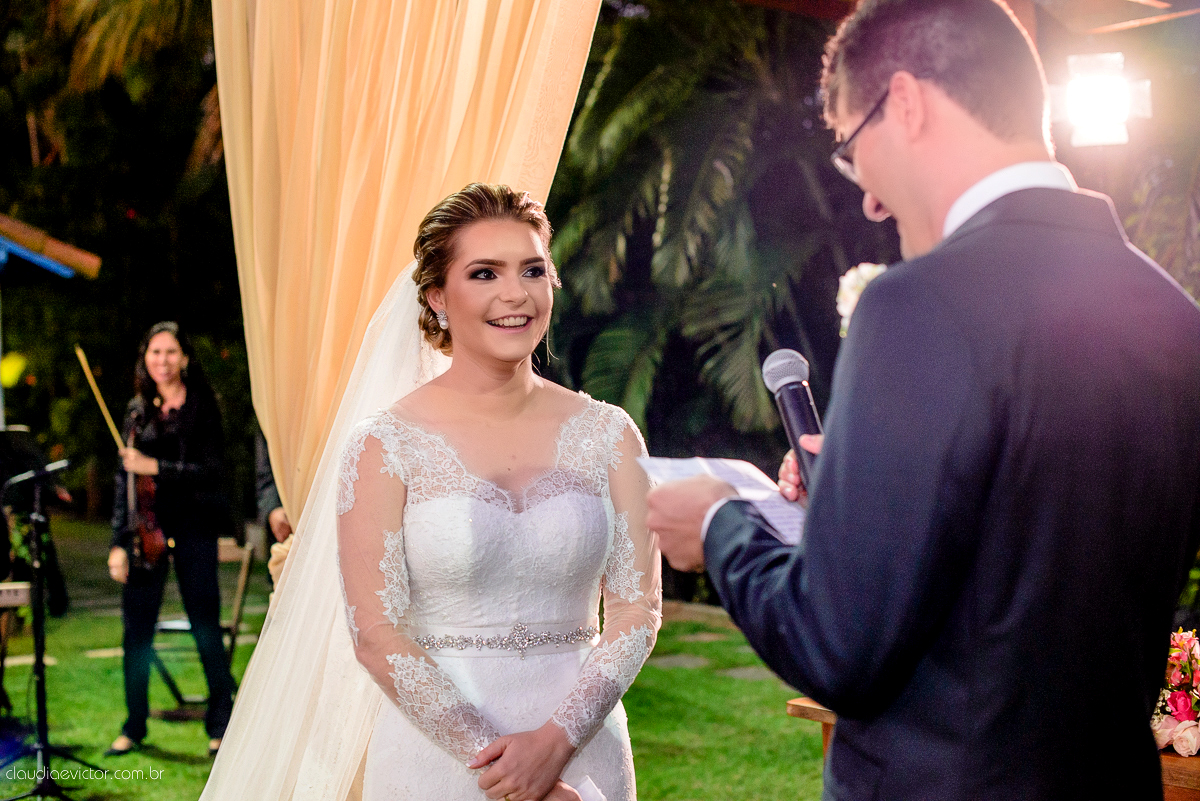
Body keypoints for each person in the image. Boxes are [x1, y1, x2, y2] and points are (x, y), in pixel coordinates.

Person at [649, 1, 1200, 799]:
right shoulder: (1174, 316)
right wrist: (867, 488)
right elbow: (1039, 547)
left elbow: (839, 649)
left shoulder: (918, 304)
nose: (867, 198)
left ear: (904, 103)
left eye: (848, 145)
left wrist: (717, 523)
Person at [199, 184, 660, 801]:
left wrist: (555, 744)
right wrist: (505, 771)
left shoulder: (610, 435)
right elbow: (376, 634)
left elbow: (636, 613)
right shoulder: (383, 446)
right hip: (440, 762)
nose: (514, 294)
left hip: (585, 752)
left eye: (532, 270)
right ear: (438, 296)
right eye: (484, 273)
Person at [106, 321, 235, 758]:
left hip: (195, 529)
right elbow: (125, 485)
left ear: (184, 358)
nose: (162, 360)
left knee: (205, 628)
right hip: (146, 534)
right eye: (155, 352)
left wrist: (156, 468)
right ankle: (134, 723)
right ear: (146, 358)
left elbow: (215, 473)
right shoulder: (137, 411)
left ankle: (221, 721)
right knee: (135, 633)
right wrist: (119, 543)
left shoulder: (203, 407)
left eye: (171, 352)